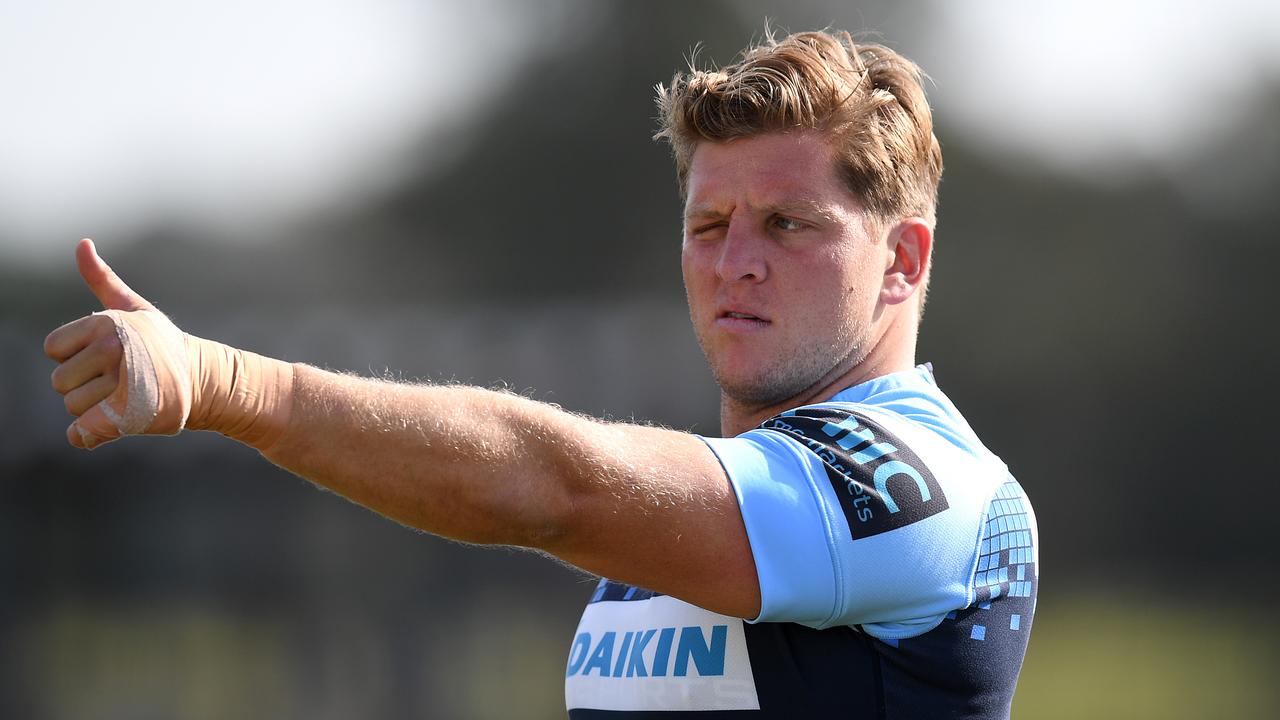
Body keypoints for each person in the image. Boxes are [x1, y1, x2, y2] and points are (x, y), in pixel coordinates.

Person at [43, 28, 1038, 719]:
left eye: (786, 225)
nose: (734, 260)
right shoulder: (700, 507)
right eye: (706, 225)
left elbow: (553, 488)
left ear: (902, 260)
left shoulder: (924, 484)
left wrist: (229, 389)